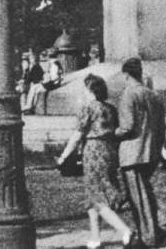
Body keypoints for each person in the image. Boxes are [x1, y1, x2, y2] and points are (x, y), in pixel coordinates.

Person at [56, 73, 134, 249]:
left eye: (84, 88)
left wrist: (63, 156)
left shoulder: (88, 108)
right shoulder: (110, 109)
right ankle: (95, 237)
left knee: (97, 198)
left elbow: (78, 134)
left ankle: (125, 231)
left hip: (93, 151)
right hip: (110, 151)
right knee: (93, 194)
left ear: (90, 90)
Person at [115, 57, 166, 249]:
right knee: (144, 191)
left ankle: (148, 238)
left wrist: (113, 133)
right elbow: (162, 126)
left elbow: (127, 126)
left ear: (126, 74)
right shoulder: (153, 95)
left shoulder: (129, 94)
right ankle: (160, 223)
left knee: (138, 197)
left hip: (132, 153)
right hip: (151, 152)